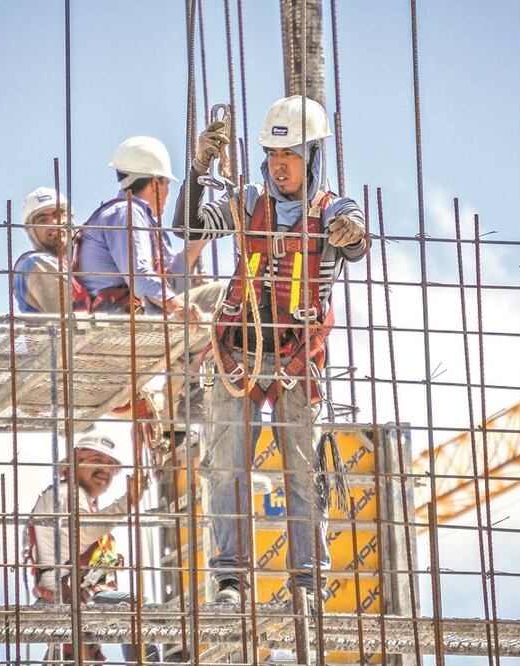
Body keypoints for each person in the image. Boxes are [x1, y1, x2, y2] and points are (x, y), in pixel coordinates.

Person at [172, 95, 367, 609]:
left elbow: (356, 241)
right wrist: (197, 168)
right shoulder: (247, 200)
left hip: (297, 360)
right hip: (238, 353)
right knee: (226, 464)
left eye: (292, 156)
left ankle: (307, 584)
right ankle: (231, 582)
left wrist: (351, 235)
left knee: (303, 470)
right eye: (273, 155)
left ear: (314, 157)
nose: (280, 166)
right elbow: (188, 228)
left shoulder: (335, 211)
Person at [26, 429, 155, 662]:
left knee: (77, 653)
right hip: (67, 598)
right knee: (133, 609)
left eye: (109, 466)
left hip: (79, 597)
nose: (104, 471)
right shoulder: (64, 493)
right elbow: (84, 531)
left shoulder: (83, 501)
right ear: (75, 463)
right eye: (96, 461)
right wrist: (129, 500)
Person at [77, 135, 225, 320]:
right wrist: (177, 306)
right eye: (167, 184)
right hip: (122, 317)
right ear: (156, 183)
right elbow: (140, 276)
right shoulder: (127, 212)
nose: (168, 193)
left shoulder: (135, 217)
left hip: (137, 310)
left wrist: (203, 235)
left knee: (217, 308)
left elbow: (168, 282)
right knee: (222, 294)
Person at [12, 186, 80, 314]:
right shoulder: (33, 265)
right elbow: (77, 317)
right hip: (61, 333)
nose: (53, 223)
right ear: (31, 230)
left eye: (58, 214)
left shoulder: (83, 255)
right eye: (43, 220)